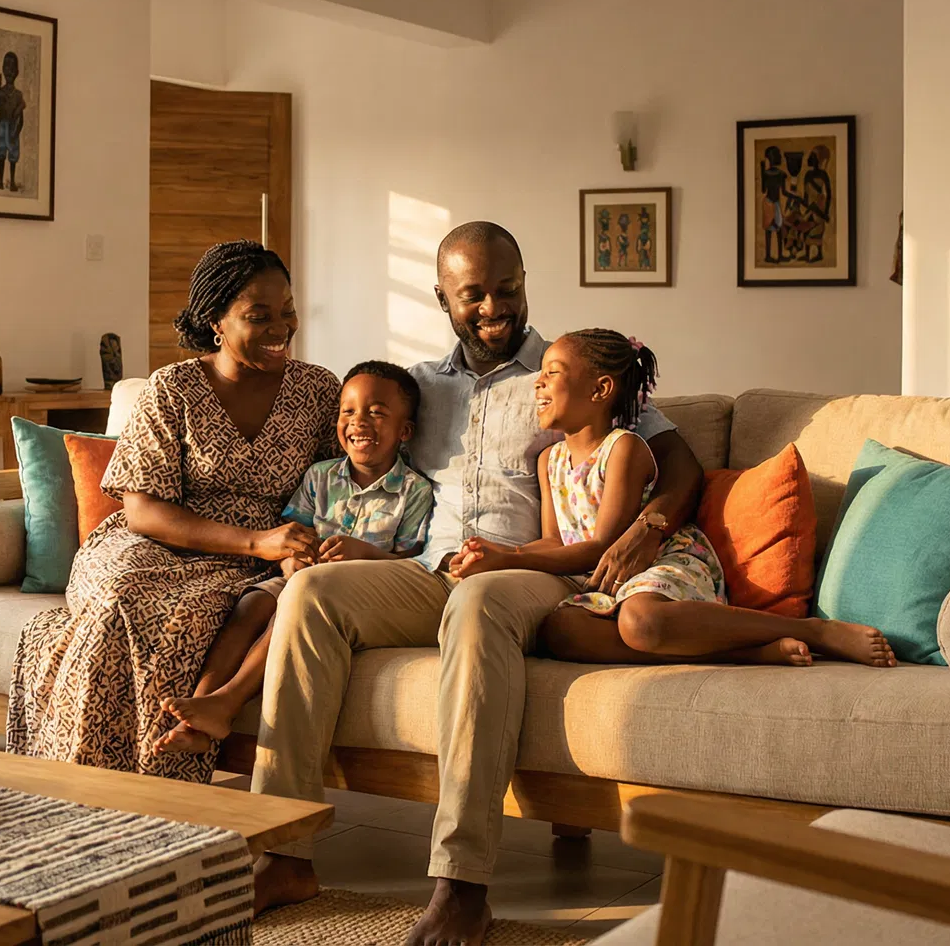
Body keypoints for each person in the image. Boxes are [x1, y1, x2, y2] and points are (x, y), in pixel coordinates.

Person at [249, 222, 704, 946]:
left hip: (532, 575)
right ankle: (283, 849)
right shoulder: (422, 388)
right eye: (474, 295)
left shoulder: (566, 374)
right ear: (442, 299)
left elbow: (680, 464)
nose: (495, 306)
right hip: (431, 568)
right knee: (310, 595)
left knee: (479, 601)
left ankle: (461, 884)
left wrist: (647, 527)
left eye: (509, 288)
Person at [5, 240, 340, 783]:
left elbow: (339, 487)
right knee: (121, 595)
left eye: (288, 311)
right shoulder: (173, 388)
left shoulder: (319, 390)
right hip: (157, 543)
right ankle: (76, 790)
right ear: (216, 322)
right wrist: (258, 542)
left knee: (192, 616)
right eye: (259, 316)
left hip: (254, 564)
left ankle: (157, 798)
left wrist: (296, 547)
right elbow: (141, 511)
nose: (282, 328)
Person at [461, 328, 894, 670]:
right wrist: (495, 552)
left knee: (640, 621)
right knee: (560, 632)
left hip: (661, 565)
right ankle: (746, 654)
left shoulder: (624, 449)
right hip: (611, 583)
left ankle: (815, 631)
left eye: (552, 372)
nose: (537, 382)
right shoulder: (549, 460)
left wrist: (510, 559)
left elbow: (601, 547)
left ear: (600, 389)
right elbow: (556, 543)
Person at [155, 360, 434, 754]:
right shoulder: (319, 476)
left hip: (351, 596)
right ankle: (199, 709)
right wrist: (291, 562)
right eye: (348, 411)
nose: (359, 422)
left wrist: (365, 554)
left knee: (287, 615)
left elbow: (411, 562)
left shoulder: (414, 490)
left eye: (376, 413)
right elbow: (291, 535)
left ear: (404, 431)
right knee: (250, 606)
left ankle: (227, 700)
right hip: (297, 576)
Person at [0, 51, 26, 191]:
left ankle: (12, 182)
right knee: (1, 155)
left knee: (12, 157)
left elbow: (21, 119)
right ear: (2, 69)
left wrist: (16, 132)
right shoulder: (0, 92)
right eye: (6, 68)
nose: (9, 71)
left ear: (17, 72)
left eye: (12, 69)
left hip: (12, 129)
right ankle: (0, 182)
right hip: (2, 127)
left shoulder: (18, 95)